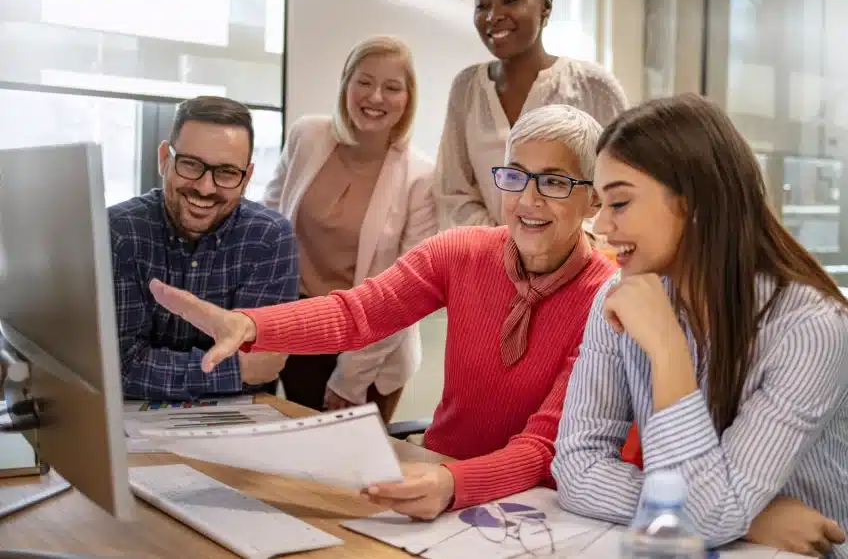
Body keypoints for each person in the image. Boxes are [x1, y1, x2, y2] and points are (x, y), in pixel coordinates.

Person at [147, 105, 617, 519]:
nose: (528, 200)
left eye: (554, 182)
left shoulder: (607, 297)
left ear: (594, 197)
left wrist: (456, 485)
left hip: (536, 505)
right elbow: (357, 314)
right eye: (515, 175)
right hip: (437, 475)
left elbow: (542, 449)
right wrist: (251, 325)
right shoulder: (462, 252)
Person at [551, 95, 848, 559]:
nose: (599, 226)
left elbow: (706, 516)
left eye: (618, 202)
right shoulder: (619, 299)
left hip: (835, 550)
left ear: (694, 203)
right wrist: (749, 517)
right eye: (600, 204)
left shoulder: (810, 327)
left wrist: (666, 348)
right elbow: (577, 469)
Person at [264, 36, 436, 420]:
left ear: (409, 99)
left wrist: (351, 378)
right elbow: (267, 225)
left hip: (371, 348)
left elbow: (406, 292)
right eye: (364, 81)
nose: (375, 97)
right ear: (346, 83)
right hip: (300, 328)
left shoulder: (421, 177)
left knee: (353, 473)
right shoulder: (307, 135)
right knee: (297, 464)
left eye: (392, 88)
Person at [435, 0, 630, 229]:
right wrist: (506, 248)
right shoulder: (467, 88)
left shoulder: (593, 87)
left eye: (510, 0)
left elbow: (620, 188)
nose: (493, 16)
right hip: (487, 267)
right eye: (482, 4)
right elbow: (453, 192)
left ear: (546, 7)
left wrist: (554, 250)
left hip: (577, 269)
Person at [109, 96, 299, 401]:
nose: (205, 187)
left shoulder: (270, 238)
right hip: (132, 425)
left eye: (225, 172)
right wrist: (234, 370)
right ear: (164, 159)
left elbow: (262, 368)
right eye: (191, 164)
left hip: (235, 424)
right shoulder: (119, 232)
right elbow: (120, 367)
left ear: (247, 177)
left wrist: (159, 368)